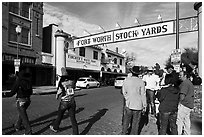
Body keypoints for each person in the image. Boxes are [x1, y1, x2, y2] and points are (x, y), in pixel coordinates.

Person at [3, 67, 33, 135]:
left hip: (21, 101)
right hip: (28, 101)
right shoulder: (29, 81)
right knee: (22, 114)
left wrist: (4, 94)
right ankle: (17, 126)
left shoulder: (18, 82)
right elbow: (31, 92)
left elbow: (12, 93)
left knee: (24, 117)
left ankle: (28, 132)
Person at [50, 69, 79, 135]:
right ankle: (76, 133)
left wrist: (57, 95)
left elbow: (59, 92)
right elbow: (74, 88)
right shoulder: (72, 81)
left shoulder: (62, 82)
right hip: (72, 101)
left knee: (60, 116)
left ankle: (55, 127)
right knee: (73, 119)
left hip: (64, 102)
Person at [121, 66, 146, 135]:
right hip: (138, 105)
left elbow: (124, 92)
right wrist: (144, 105)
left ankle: (123, 133)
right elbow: (143, 94)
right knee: (135, 123)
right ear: (138, 73)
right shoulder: (141, 82)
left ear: (132, 73)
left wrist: (127, 98)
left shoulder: (126, 80)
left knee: (126, 122)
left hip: (129, 104)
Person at [177, 71, 194, 135]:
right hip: (189, 104)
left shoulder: (185, 83)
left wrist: (179, 103)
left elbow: (182, 95)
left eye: (180, 75)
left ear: (185, 76)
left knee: (179, 120)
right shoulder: (189, 82)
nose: (179, 76)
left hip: (184, 104)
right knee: (186, 120)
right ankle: (187, 134)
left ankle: (178, 133)